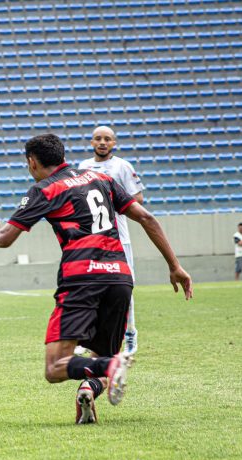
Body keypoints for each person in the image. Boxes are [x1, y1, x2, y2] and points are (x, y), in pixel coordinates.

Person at [0, 134, 192, 424]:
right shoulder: (100, 178)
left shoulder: (44, 189)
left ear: (32, 161)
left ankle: (111, 364)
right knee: (96, 363)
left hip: (81, 279)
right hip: (120, 278)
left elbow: (4, 240)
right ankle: (89, 390)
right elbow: (147, 218)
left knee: (54, 368)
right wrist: (175, 266)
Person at [78, 125, 145, 355]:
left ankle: (130, 334)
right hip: (93, 238)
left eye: (107, 139)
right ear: (91, 142)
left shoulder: (122, 166)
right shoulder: (83, 167)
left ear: (114, 143)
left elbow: (138, 198)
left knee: (125, 287)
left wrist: (113, 202)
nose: (102, 142)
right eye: (98, 139)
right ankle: (89, 338)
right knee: (91, 287)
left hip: (119, 237)